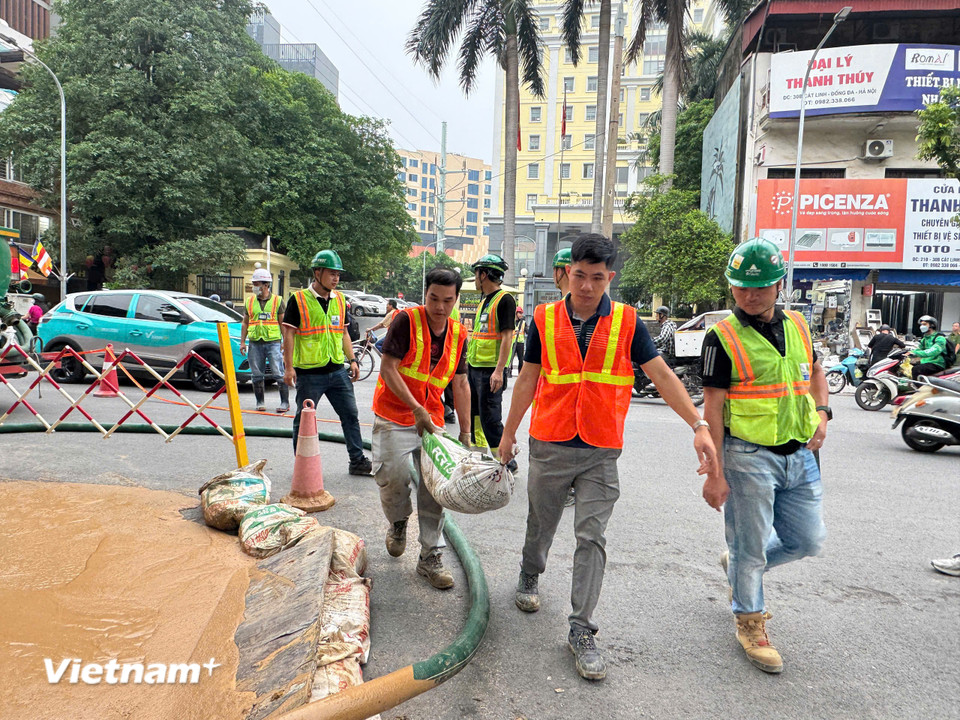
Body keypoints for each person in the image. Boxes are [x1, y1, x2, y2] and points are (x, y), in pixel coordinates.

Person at [499, 234, 717, 682]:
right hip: (551, 442)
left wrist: (698, 425)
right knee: (541, 522)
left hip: (600, 449)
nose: (586, 286)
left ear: (609, 278)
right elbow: (528, 380)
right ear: (567, 273)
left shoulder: (628, 322)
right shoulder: (542, 319)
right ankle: (529, 572)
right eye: (579, 275)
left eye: (597, 278)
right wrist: (507, 434)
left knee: (591, 537)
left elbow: (661, 375)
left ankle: (582, 629)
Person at [700, 237, 829, 675]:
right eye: (741, 288)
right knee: (751, 550)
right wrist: (714, 473)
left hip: (801, 454)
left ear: (779, 286)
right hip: (747, 455)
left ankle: (737, 568)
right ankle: (750, 622)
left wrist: (824, 415)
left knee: (807, 541)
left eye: (760, 287)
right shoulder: (721, 338)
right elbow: (712, 409)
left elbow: (814, 373)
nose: (750, 296)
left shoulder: (799, 326)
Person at [372, 268, 471, 589]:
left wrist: (466, 433)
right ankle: (398, 522)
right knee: (393, 478)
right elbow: (388, 369)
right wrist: (415, 409)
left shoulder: (459, 334)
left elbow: (461, 383)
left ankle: (430, 556)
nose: (440, 307)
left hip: (432, 419)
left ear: (456, 299)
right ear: (424, 293)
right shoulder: (406, 321)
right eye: (433, 298)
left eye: (448, 300)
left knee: (434, 489)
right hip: (394, 415)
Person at [281, 249, 372, 476]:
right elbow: (289, 334)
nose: (336, 278)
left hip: (337, 371)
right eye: (331, 273)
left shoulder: (340, 300)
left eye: (338, 274)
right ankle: (303, 467)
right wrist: (289, 367)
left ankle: (357, 461)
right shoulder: (299, 300)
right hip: (310, 374)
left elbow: (343, 334)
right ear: (317, 272)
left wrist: (352, 360)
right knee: (304, 421)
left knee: (350, 415)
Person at [467, 254, 517, 469]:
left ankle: (506, 462)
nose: (475, 278)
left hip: (490, 371)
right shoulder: (484, 301)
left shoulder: (504, 300)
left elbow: (507, 337)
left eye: (477, 274)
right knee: (475, 417)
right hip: (475, 367)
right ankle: (479, 459)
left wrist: (499, 371)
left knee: (490, 419)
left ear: (484, 274)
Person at [240, 268, 289, 413]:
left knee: (278, 372)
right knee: (256, 374)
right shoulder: (249, 302)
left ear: (266, 284)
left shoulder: (277, 301)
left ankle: (285, 402)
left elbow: (283, 324)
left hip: (273, 343)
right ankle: (260, 402)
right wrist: (243, 342)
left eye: (257, 284)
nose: (254, 287)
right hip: (255, 342)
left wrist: (285, 343)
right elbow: (245, 322)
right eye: (254, 283)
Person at [512, 307, 526, 374]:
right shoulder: (511, 322)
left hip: (520, 343)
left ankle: (520, 373)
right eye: (519, 313)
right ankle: (509, 372)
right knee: (510, 358)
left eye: (521, 313)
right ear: (516, 313)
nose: (521, 315)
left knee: (521, 359)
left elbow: (527, 331)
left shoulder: (523, 323)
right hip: (512, 342)